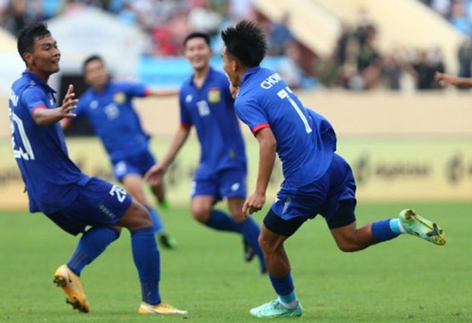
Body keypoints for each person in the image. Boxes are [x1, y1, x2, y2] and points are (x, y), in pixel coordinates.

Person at [220, 20, 447, 319]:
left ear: (234, 64)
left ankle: (288, 304)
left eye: (223, 58)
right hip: (335, 166)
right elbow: (285, 108)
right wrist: (238, 86)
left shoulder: (246, 101)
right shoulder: (270, 77)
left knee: (267, 241)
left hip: (306, 178)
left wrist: (260, 191)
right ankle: (402, 225)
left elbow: (268, 142)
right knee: (348, 240)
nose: (222, 62)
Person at [9, 22, 186, 315]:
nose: (56, 52)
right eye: (47, 48)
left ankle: (71, 271)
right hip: (66, 184)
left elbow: (23, 134)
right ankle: (152, 303)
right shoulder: (33, 93)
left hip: (46, 187)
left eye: (55, 45)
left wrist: (33, 172)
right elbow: (39, 116)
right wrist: (59, 112)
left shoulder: (18, 87)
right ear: (29, 57)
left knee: (113, 222)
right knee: (141, 218)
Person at [145, 31, 266, 273]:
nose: (196, 52)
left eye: (201, 48)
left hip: (231, 157)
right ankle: (248, 234)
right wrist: (163, 164)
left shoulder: (223, 81)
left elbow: (244, 98)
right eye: (191, 49)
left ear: (209, 52)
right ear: (185, 54)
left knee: (237, 211)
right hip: (208, 162)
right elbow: (183, 130)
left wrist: (238, 91)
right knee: (199, 211)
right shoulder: (186, 90)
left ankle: (267, 262)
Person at [63, 55, 176, 249]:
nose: (97, 73)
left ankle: (162, 199)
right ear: (87, 77)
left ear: (106, 70)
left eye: (100, 68)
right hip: (121, 159)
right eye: (92, 71)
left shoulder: (122, 89)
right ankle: (160, 231)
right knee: (139, 196)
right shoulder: (86, 102)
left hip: (142, 151)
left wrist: (182, 91)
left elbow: (152, 92)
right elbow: (63, 122)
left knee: (158, 188)